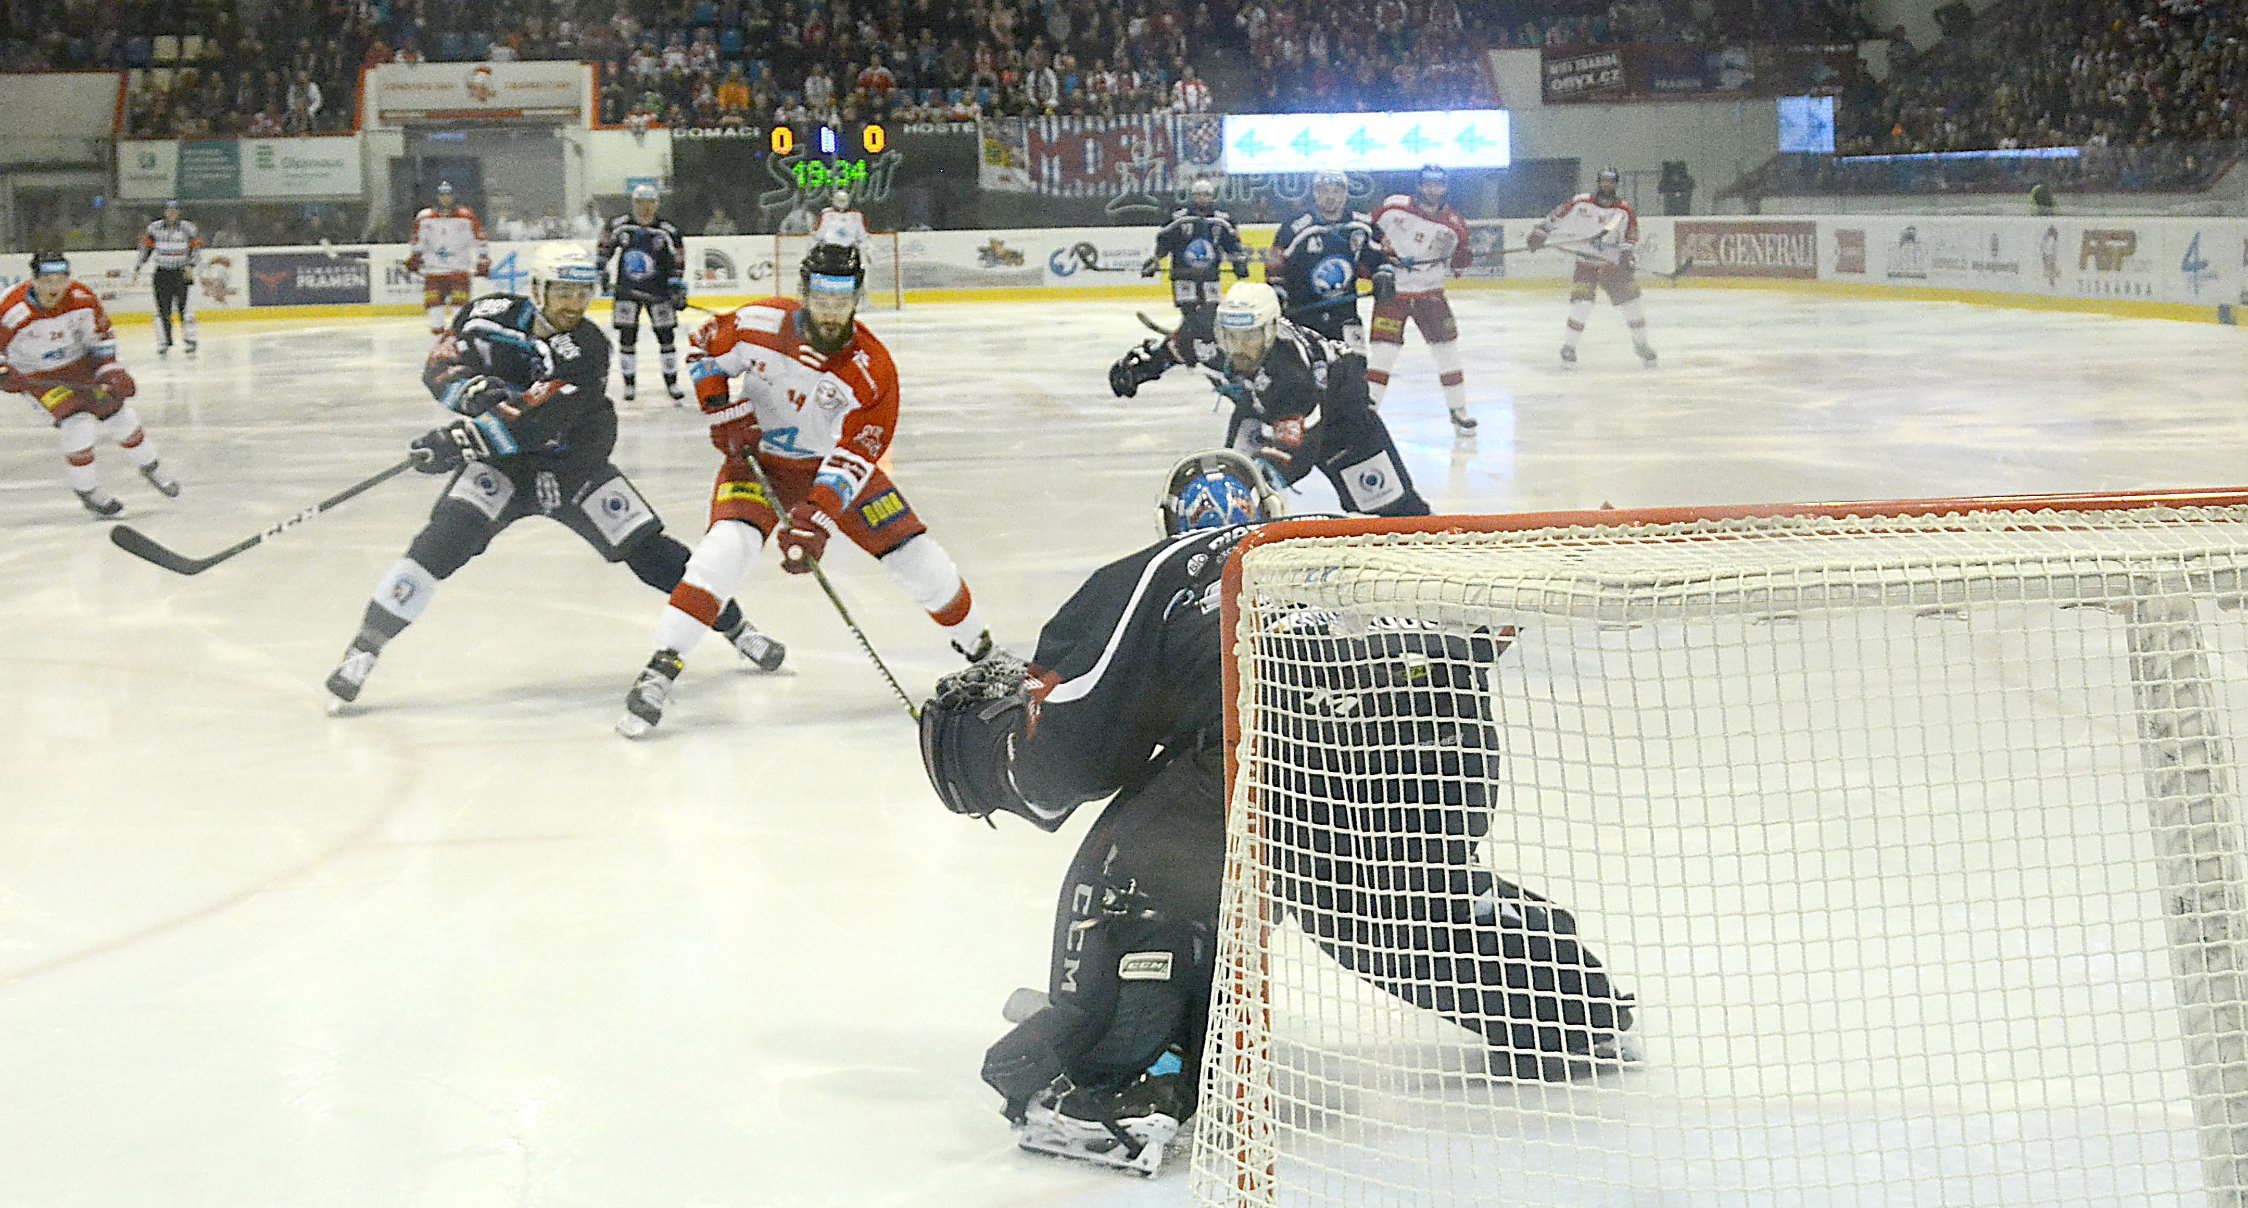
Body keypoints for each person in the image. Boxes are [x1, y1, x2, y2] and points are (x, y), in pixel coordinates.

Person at [917, 451, 1640, 1175]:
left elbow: (1075, 749)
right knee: (1389, 905)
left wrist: (990, 756)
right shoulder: (1345, 533)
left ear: (1171, 521)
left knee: (1135, 869)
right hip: (1444, 742)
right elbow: (1480, 623)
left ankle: (1123, 1086)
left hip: (1289, 744)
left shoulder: (1167, 566)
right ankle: (1571, 1008)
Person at [323, 244, 782, 712]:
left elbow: (536, 420)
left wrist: (459, 440)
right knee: (438, 545)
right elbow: (440, 365)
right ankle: (364, 649)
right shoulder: (488, 313)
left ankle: (738, 629)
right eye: (563, 291)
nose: (573, 304)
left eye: (582, 293)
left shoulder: (588, 348)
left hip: (570, 466)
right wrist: (470, 392)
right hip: (501, 467)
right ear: (537, 289)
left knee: (651, 552)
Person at [616, 242, 990, 738]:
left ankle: (984, 654)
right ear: (804, 292)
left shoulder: (873, 369)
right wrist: (719, 407)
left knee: (917, 558)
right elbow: (703, 347)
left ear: (857, 297)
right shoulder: (759, 323)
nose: (831, 311)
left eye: (842, 298)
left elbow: (857, 454)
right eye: (822, 297)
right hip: (760, 466)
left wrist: (818, 515)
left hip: (832, 470)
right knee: (724, 551)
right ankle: (661, 668)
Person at [1108, 281, 1430, 518]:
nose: (1238, 350)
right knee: (1232, 486)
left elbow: (1294, 448)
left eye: (1249, 339)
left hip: (1344, 426)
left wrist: (1262, 478)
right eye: (1230, 338)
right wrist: (1141, 367)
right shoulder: (1205, 333)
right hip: (1261, 409)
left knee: (1394, 509)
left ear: (1272, 330)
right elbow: (1173, 349)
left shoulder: (1293, 372)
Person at [1, 251, 179, 517]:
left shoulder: (82, 298)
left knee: (119, 416)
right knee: (77, 423)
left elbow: (101, 338)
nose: (54, 288)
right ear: (33, 280)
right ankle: (87, 489)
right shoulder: (10, 309)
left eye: (61, 280)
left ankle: (151, 467)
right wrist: (4, 373)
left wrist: (110, 372)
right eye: (47, 281)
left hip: (81, 366)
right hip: (38, 377)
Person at [1368, 164, 1477, 433]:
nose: (1433, 189)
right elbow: (1366, 233)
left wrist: (1463, 258)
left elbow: (1458, 265)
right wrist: (1382, 252)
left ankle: (1458, 409)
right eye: (1428, 183)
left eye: (1438, 184)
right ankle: (1367, 414)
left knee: (1447, 350)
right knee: (1383, 353)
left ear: (1445, 187)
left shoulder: (1454, 224)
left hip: (1431, 294)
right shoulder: (1393, 206)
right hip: (1393, 292)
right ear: (1418, 185)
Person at [1526, 167, 1657, 368]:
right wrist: (1541, 233)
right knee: (1582, 305)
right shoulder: (1581, 202)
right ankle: (1569, 347)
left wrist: (1627, 256)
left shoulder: (1624, 210)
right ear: (1598, 182)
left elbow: (1630, 236)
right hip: (1585, 264)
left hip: (1611, 266)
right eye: (1604, 181)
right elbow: (1556, 216)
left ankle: (1641, 345)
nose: (1607, 184)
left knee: (1632, 306)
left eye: (1611, 181)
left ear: (1616, 184)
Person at [1265, 168, 1394, 351]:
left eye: (1336, 191)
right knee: (1306, 367)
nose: (1330, 196)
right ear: (1315, 193)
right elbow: (1274, 268)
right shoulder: (1294, 227)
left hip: (1345, 315)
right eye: (1324, 191)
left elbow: (1380, 258)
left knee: (1356, 364)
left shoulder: (1362, 225)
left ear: (1345, 193)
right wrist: (1278, 294)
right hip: (1303, 315)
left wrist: (1384, 274)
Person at [1140, 177, 1250, 365]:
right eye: (1199, 195)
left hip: (1210, 277)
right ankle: (1193, 346)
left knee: (1209, 314)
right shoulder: (1179, 217)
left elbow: (1232, 245)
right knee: (1190, 313)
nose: (1202, 198)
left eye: (1206, 195)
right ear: (1192, 196)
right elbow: (1164, 241)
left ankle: (1187, 344)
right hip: (1183, 276)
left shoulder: (1222, 220)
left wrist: (1238, 263)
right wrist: (1155, 261)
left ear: (1212, 196)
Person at [596, 183, 689, 404]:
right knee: (627, 337)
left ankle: (672, 382)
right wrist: (601, 270)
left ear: (656, 204)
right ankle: (629, 384)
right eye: (640, 202)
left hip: (659, 292)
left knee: (666, 336)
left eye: (649, 203)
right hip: (627, 291)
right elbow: (604, 247)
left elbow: (678, 258)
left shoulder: (667, 230)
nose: (645, 208)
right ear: (633, 203)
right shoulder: (620, 225)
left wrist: (676, 283)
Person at [406, 181, 490, 337]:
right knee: (434, 309)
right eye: (442, 195)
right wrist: (415, 256)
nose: (446, 199)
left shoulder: (466, 216)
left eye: (449, 195)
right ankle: (438, 339)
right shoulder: (424, 217)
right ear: (437, 197)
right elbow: (417, 241)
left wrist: (483, 260)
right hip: (433, 271)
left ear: (454, 197)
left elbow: (480, 239)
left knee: (460, 309)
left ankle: (457, 340)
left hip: (459, 269)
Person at [132, 199, 202, 356]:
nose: (171, 213)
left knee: (186, 309)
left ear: (178, 212)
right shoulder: (154, 228)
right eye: (169, 210)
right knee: (162, 309)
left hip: (181, 272)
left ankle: (190, 340)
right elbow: (145, 249)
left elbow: (196, 249)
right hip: (162, 273)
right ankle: (164, 342)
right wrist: (137, 267)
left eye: (174, 210)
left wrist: (190, 266)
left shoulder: (188, 228)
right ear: (164, 212)